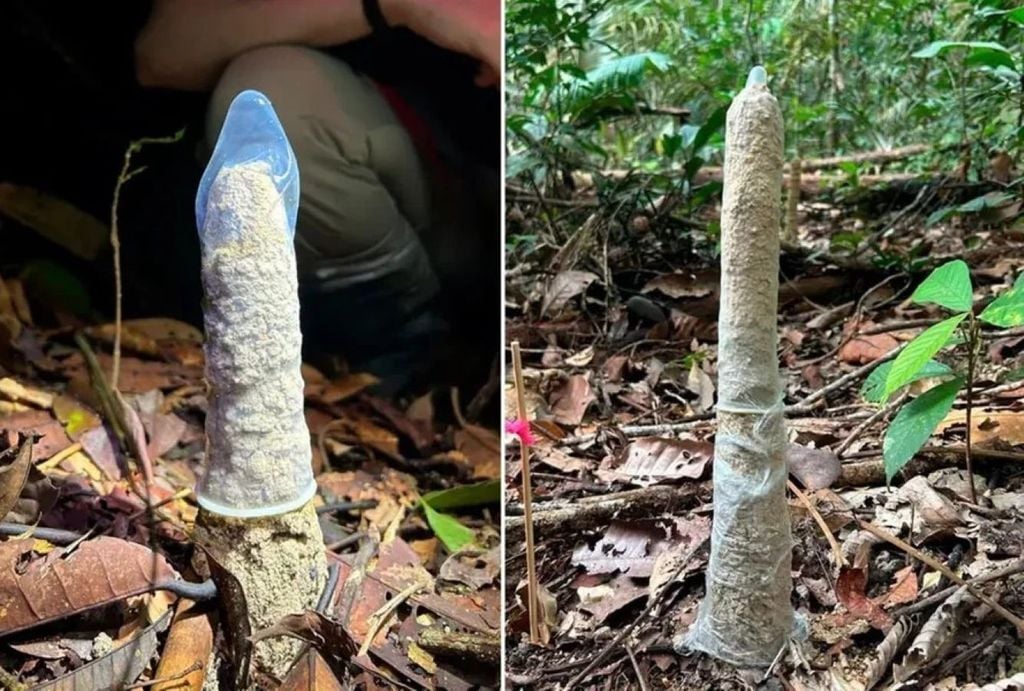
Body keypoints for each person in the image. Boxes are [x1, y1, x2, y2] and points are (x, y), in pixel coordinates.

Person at [134, 0, 501, 396]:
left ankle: (455, 373)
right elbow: (161, 53)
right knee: (273, 99)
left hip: (478, 210)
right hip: (377, 197)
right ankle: (401, 360)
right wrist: (405, 6)